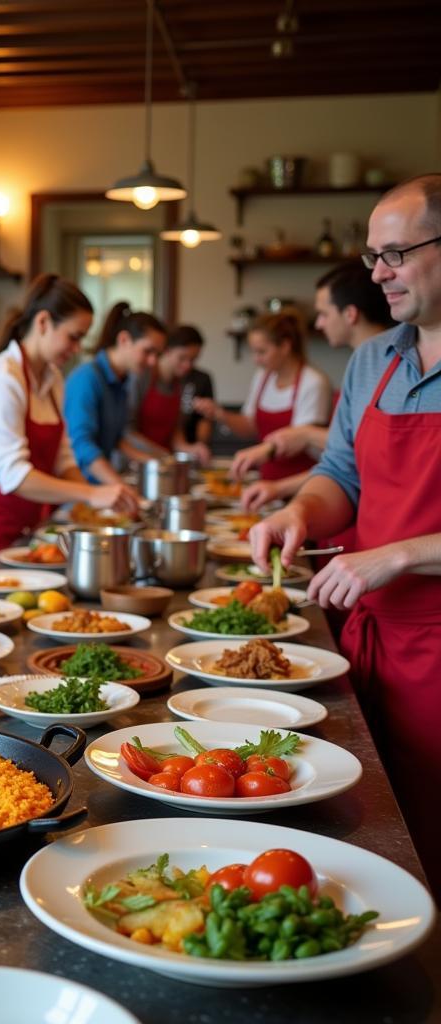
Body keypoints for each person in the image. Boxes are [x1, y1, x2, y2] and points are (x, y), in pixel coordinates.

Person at [249, 174, 441, 895]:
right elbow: (341, 477)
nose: (378, 274)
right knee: (370, 838)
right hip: (371, 640)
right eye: (372, 257)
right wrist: (299, 513)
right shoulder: (373, 360)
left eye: (396, 254)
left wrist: (398, 554)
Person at [0, 275, 137, 573]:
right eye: (74, 336)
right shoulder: (3, 379)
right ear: (44, 322)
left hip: (31, 525)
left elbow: (64, 458)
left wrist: (99, 506)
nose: (77, 348)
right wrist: (92, 494)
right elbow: (15, 476)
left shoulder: (53, 379)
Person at [235, 262, 394, 510]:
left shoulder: (390, 366)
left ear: (350, 314)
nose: (318, 324)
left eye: (324, 313)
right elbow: (341, 460)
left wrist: (305, 435)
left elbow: (366, 454)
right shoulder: (362, 365)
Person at [193, 311, 332, 482]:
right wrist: (220, 414)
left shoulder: (313, 382)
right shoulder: (263, 377)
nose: (256, 360)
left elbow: (299, 439)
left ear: (285, 346)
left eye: (261, 352)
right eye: (253, 352)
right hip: (266, 481)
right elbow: (251, 426)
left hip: (302, 482)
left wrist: (260, 452)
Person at [64, 302, 167, 488]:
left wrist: (153, 462)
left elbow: (115, 438)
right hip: (79, 489)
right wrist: (120, 486)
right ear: (124, 340)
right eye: (148, 351)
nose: (153, 361)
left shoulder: (122, 382)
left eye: (157, 354)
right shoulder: (86, 378)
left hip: (100, 486)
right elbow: (80, 445)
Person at [127, 324, 213, 464]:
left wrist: (190, 448)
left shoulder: (179, 384)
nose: (188, 365)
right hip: (138, 461)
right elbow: (128, 432)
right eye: (182, 358)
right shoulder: (142, 376)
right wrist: (162, 454)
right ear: (166, 351)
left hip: (164, 462)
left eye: (193, 360)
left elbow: (174, 431)